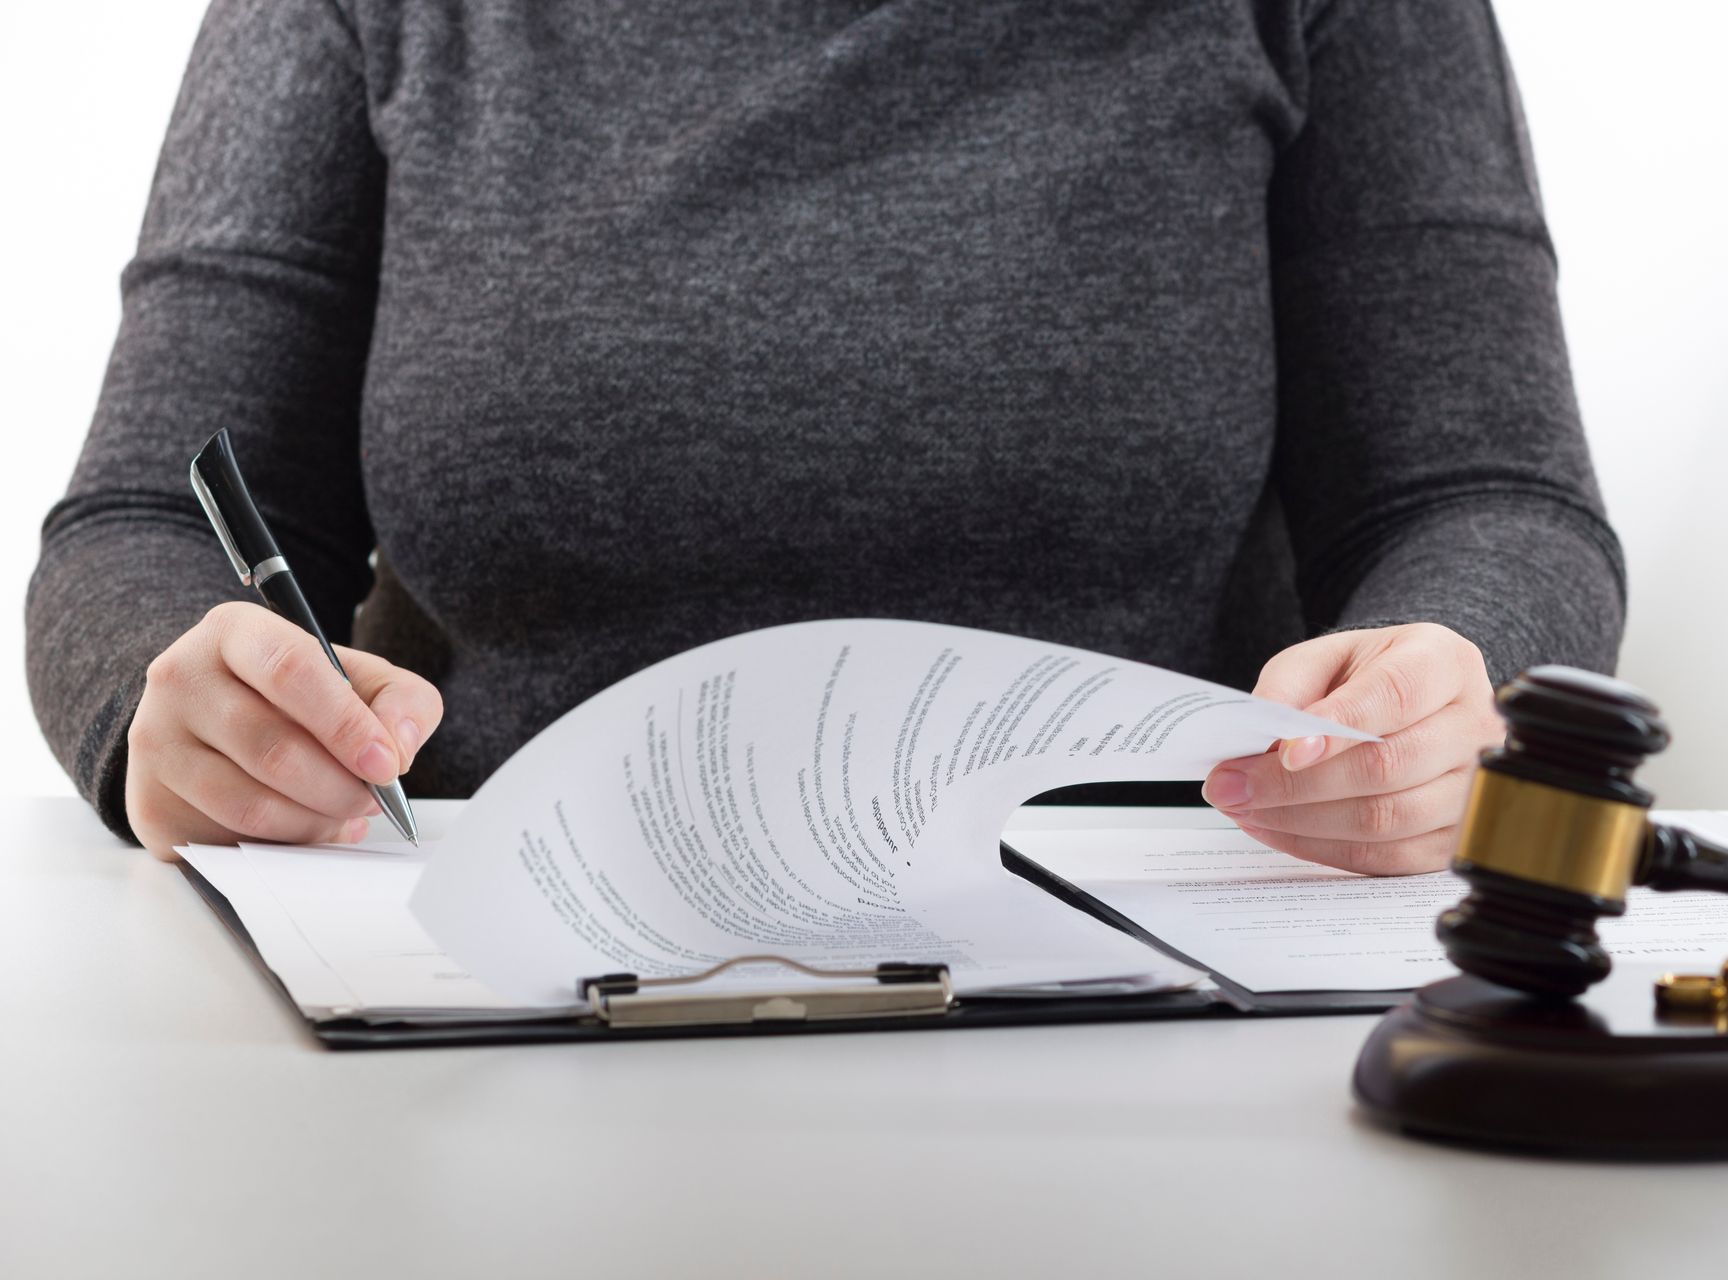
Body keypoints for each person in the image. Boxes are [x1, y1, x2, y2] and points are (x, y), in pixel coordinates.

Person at [27, 0, 1624, 874]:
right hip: (485, 966)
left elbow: (1484, 492)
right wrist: (182, 708)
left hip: (1151, 971)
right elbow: (142, 521)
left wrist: (1446, 685)